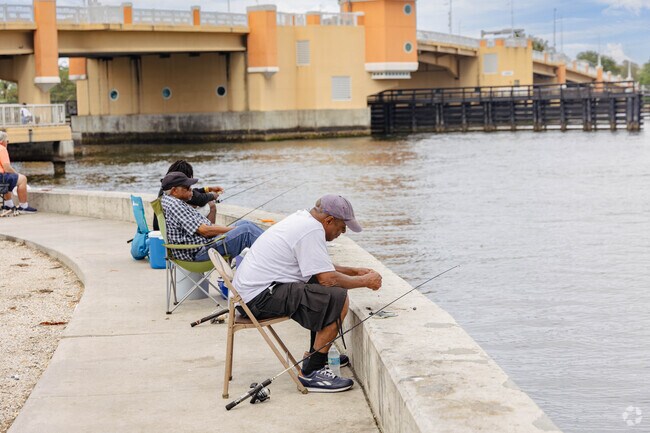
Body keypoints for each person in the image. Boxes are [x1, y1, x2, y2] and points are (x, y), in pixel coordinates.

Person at [232, 194, 382, 393]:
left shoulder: (304, 220)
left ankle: (317, 354)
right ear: (329, 220)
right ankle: (313, 371)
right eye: (342, 227)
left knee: (325, 290)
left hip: (251, 295)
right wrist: (365, 281)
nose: (343, 232)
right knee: (337, 295)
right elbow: (328, 279)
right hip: (258, 299)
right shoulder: (310, 230)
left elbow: (317, 266)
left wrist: (354, 271)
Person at [160, 171, 263, 262]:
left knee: (244, 223)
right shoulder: (175, 205)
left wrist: (232, 230)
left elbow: (204, 229)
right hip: (197, 253)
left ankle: (272, 247)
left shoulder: (170, 200)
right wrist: (232, 229)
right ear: (174, 191)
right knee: (247, 231)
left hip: (200, 246)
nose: (191, 190)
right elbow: (205, 230)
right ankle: (274, 252)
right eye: (187, 188)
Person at [153, 159, 223, 231]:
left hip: (160, 227)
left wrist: (207, 189)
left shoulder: (166, 186)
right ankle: (212, 233)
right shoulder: (176, 198)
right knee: (211, 205)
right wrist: (213, 195)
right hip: (165, 229)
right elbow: (199, 199)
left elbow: (193, 193)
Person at [0, 131, 37, 213]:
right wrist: (17, 174)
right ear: (2, 142)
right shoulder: (2, 149)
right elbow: (7, 168)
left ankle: (8, 205)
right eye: (7, 141)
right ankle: (23, 206)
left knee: (9, 179)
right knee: (22, 179)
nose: (8, 142)